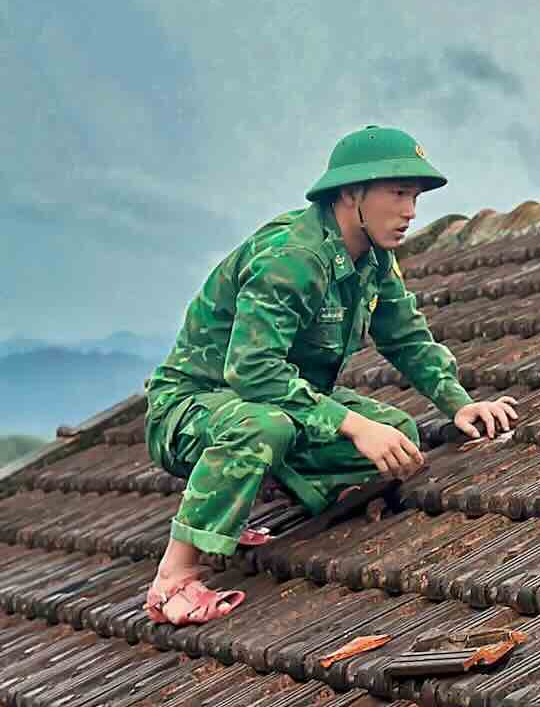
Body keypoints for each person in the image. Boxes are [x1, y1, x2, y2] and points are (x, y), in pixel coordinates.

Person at [141, 125, 517, 624]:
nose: (410, 211)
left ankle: (256, 490)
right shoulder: (292, 259)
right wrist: (355, 426)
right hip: (194, 408)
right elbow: (252, 371)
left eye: (416, 197)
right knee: (265, 427)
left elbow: (405, 337)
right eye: (398, 193)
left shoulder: (376, 259)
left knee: (398, 440)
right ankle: (175, 578)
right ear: (349, 193)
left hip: (282, 404)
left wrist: (459, 402)